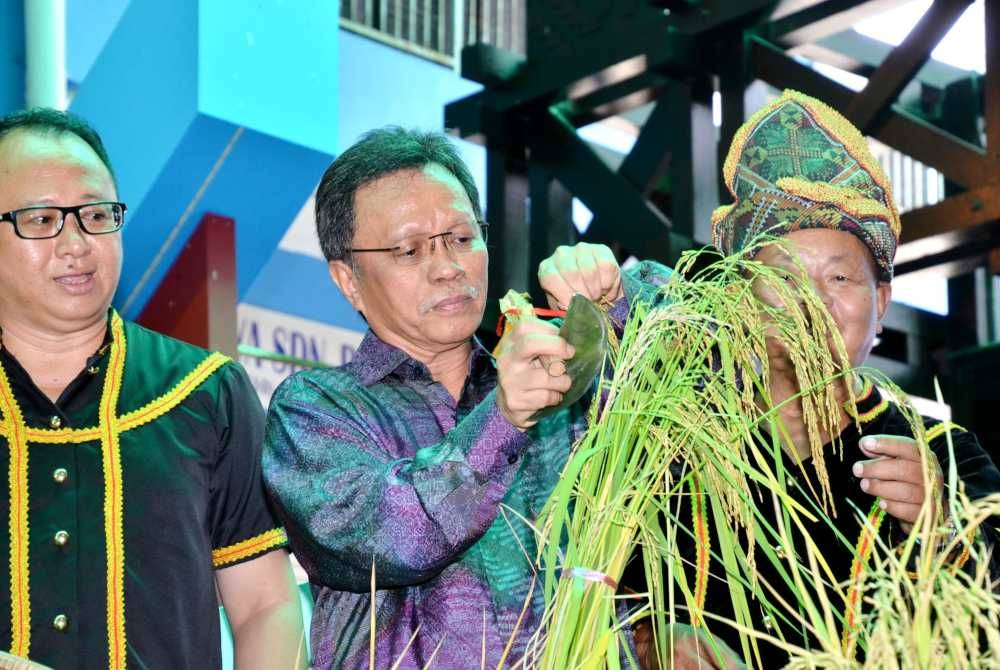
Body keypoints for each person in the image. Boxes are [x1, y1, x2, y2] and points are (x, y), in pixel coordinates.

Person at [262, 126, 672, 669]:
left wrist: (618, 303)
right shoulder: (315, 409)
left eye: (461, 237)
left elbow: (715, 366)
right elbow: (395, 538)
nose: (447, 267)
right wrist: (503, 418)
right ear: (349, 280)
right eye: (409, 249)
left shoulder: (563, 381)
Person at [662, 89, 1000, 668]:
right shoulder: (675, 448)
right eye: (784, 275)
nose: (812, 301)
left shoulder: (945, 456)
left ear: (882, 302)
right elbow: (610, 597)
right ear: (740, 299)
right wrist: (656, 644)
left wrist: (945, 526)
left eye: (840, 278)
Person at [0, 109, 306, 669]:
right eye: (41, 220)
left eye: (97, 215)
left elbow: (265, 605)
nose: (77, 244)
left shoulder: (206, 393)